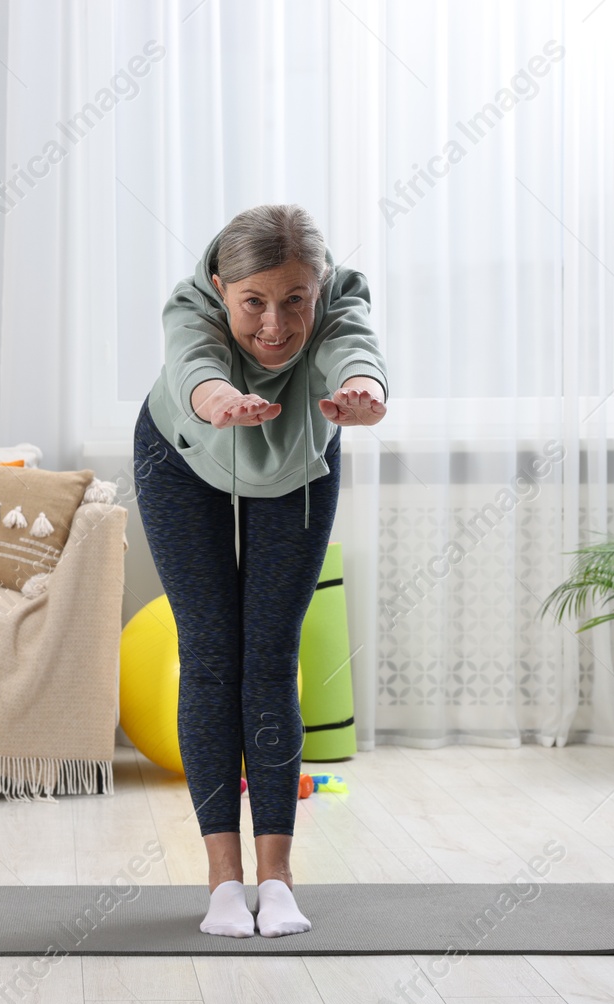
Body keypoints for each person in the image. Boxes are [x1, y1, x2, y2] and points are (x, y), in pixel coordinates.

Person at [133, 204, 388, 937]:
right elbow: (195, 366)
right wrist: (218, 397)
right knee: (212, 656)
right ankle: (222, 884)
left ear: (319, 284)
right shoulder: (191, 305)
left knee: (270, 657)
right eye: (253, 303)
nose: (275, 325)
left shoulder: (337, 297)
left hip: (296, 465)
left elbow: (354, 346)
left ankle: (276, 880)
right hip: (182, 454)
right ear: (221, 287)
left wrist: (366, 390)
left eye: (295, 300)